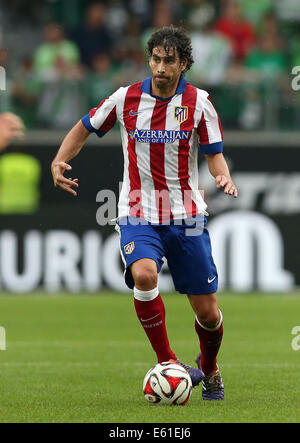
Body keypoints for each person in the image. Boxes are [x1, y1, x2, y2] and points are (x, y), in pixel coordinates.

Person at [51, 26, 238, 401]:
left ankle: (211, 367)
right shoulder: (126, 98)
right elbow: (85, 127)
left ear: (184, 63)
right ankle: (168, 360)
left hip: (186, 215)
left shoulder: (200, 102)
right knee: (144, 273)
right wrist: (59, 159)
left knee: (208, 314)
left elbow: (214, 153)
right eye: (155, 59)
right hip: (137, 210)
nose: (161, 67)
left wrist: (223, 177)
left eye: (169, 60)